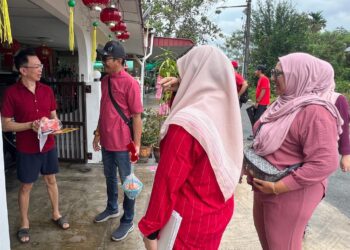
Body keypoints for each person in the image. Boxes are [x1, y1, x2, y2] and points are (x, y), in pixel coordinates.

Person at [138, 45, 243, 250]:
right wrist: (185, 84)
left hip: (189, 223)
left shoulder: (186, 123)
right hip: (217, 212)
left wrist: (150, 228)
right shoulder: (224, 111)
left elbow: (167, 182)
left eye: (183, 74)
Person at [249, 52, 343, 250]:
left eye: (279, 73)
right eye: (274, 72)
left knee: (283, 245)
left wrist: (278, 188)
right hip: (266, 185)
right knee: (269, 244)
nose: (273, 78)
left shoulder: (315, 112)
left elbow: (325, 162)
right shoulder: (283, 103)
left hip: (289, 192)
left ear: (300, 75)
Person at [1, 48, 70, 244]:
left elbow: (54, 117)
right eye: (37, 66)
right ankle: (24, 223)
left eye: (41, 65)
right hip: (27, 148)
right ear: (23, 70)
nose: (41, 69)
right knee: (26, 186)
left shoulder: (46, 90)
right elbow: (5, 125)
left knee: (51, 180)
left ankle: (56, 214)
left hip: (48, 144)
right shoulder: (12, 93)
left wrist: (56, 126)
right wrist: (29, 125)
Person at [92, 41, 143, 241]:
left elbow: (137, 116)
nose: (103, 61)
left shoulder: (130, 83)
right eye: (103, 57)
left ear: (119, 61)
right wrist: (97, 133)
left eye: (107, 58)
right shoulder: (105, 81)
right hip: (107, 141)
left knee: (128, 182)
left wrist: (137, 145)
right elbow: (104, 108)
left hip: (124, 144)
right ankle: (112, 208)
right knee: (110, 178)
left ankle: (128, 220)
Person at [312, 60, 350, 172]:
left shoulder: (337, 99)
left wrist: (346, 154)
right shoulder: (305, 94)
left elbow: (344, 126)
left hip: (325, 149)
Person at [247, 65, 270, 140]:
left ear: (260, 71)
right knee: (255, 118)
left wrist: (257, 102)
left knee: (257, 119)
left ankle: (257, 136)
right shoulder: (261, 79)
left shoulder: (264, 79)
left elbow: (263, 91)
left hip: (262, 103)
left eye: (256, 70)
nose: (255, 72)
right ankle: (255, 134)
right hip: (260, 102)